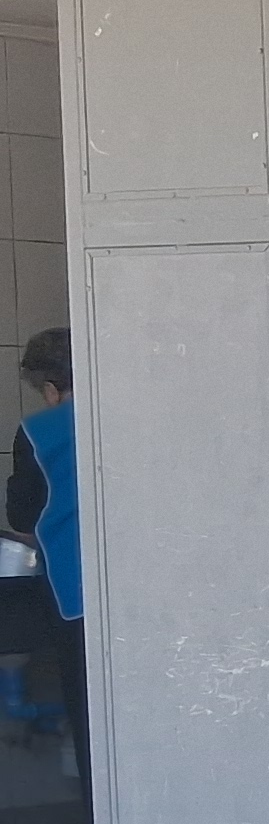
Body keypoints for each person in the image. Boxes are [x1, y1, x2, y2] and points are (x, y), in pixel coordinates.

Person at [2, 328, 79, 784]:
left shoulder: (36, 430)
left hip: (72, 590)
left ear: (50, 388)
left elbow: (24, 516)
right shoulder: (131, 414)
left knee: (87, 709)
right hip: (139, 585)